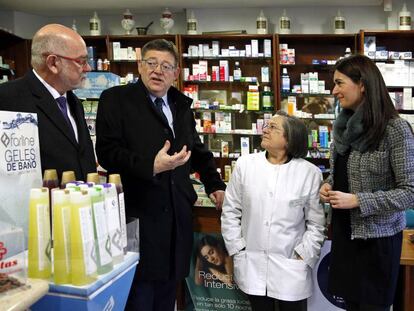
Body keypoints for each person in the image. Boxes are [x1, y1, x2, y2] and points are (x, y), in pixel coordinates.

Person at [95, 39, 226, 311]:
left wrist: (216, 184)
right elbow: (107, 153)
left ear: (176, 73)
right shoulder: (116, 100)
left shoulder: (179, 105)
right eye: (151, 63)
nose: (158, 71)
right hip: (136, 216)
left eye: (166, 66)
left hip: (176, 220)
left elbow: (197, 150)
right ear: (140, 66)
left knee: (167, 297)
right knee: (138, 297)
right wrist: (150, 166)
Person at [319, 54, 414, 311]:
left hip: (377, 242)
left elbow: (409, 192)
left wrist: (359, 200)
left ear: (362, 84)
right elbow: (339, 174)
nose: (334, 90)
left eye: (339, 83)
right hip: (344, 235)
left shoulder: (394, 130)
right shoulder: (341, 128)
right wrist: (327, 186)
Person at [221, 111, 326, 311]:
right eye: (266, 125)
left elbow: (316, 223)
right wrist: (237, 247)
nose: (265, 130)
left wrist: (304, 255)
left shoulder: (309, 173)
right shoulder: (246, 165)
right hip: (252, 262)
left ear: (289, 138)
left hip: (291, 267)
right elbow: (230, 210)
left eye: (273, 127)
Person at [0, 24, 96, 182]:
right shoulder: (7, 99)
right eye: (82, 61)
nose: (88, 68)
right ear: (53, 63)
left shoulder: (74, 102)